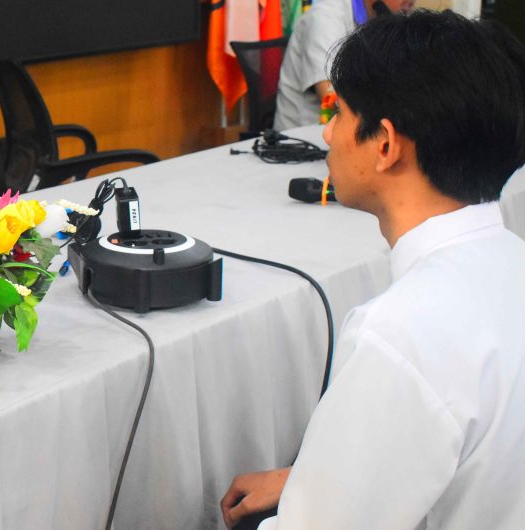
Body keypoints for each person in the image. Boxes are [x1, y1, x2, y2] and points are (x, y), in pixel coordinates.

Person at [223, 10, 525, 529]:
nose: (326, 133)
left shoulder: (399, 334)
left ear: (385, 145)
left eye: (339, 113)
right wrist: (310, 478)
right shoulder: (512, 261)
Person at [274, 0, 414, 131]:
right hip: (304, 139)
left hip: (354, 135)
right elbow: (333, 98)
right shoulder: (325, 17)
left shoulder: (388, 20)